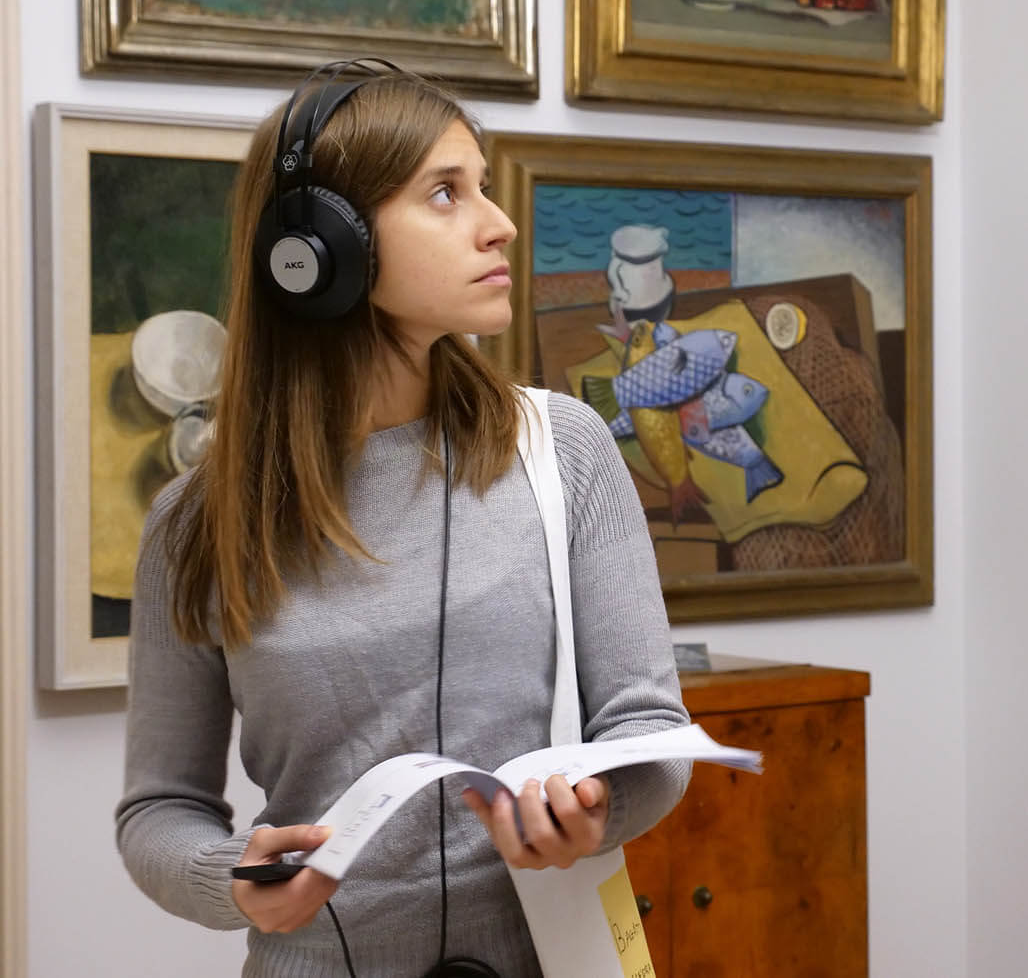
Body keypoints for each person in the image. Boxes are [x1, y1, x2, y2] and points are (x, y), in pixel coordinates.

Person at [115, 61, 691, 977]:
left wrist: (595, 806)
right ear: (317, 250)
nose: (498, 223)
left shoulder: (565, 448)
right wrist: (235, 876)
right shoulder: (194, 525)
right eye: (445, 193)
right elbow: (158, 810)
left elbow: (649, 728)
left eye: (483, 186)